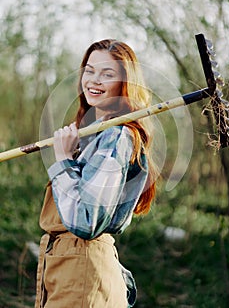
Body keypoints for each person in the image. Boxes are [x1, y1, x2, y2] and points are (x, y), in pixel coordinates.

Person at [35, 39, 157, 308]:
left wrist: (64, 161)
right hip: (67, 267)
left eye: (107, 74)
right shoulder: (98, 134)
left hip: (82, 271)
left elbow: (86, 221)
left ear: (125, 83)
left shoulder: (116, 136)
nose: (94, 80)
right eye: (89, 71)